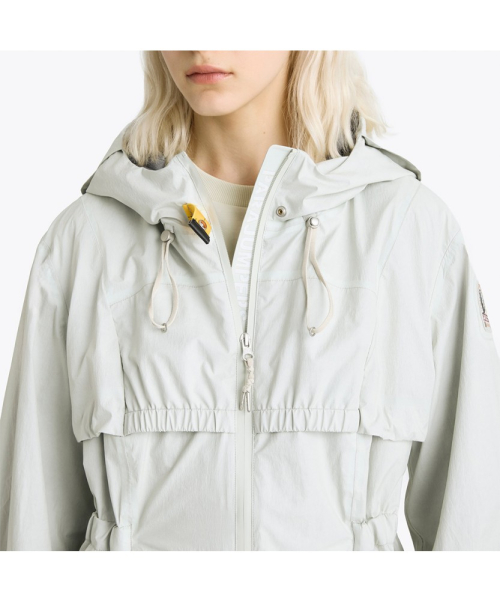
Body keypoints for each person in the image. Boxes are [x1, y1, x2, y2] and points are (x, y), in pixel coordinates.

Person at [1, 50, 499, 551]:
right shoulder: (84, 240)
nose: (201, 41)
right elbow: (30, 522)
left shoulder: (409, 230)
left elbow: (474, 524)